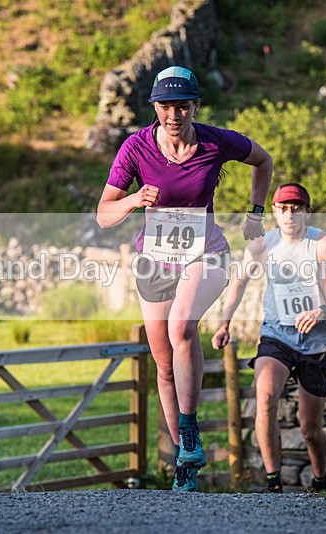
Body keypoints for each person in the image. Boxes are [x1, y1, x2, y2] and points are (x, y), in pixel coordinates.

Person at [97, 66, 272, 491]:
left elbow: (263, 160)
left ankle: (189, 434)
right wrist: (134, 199)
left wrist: (254, 213)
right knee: (163, 367)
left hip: (206, 254)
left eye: (182, 106)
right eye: (164, 106)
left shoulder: (216, 141)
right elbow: (103, 214)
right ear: (154, 107)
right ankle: (185, 462)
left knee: (182, 326)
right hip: (154, 262)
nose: (173, 115)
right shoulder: (136, 147)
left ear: (195, 106)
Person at [211, 183, 326, 493]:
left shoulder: (324, 244)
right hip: (276, 336)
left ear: (307, 212)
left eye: (296, 209)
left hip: (317, 342)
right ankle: (273, 482)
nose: (289, 215)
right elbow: (238, 283)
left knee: (310, 429)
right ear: (274, 213)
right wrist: (224, 323)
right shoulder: (261, 246)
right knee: (265, 396)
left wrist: (322, 311)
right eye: (283, 209)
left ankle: (319, 479)